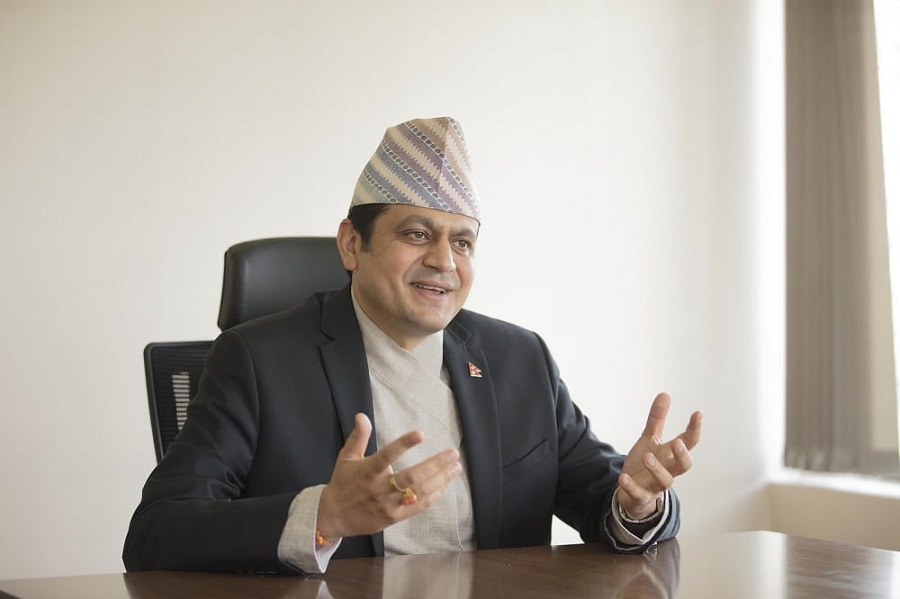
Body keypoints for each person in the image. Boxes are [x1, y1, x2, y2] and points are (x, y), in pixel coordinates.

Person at [123, 117, 702, 575]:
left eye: (463, 243)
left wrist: (638, 502)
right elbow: (155, 534)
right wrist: (324, 516)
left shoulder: (519, 359)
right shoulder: (257, 360)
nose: (444, 262)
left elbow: (606, 500)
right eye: (417, 233)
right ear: (351, 244)